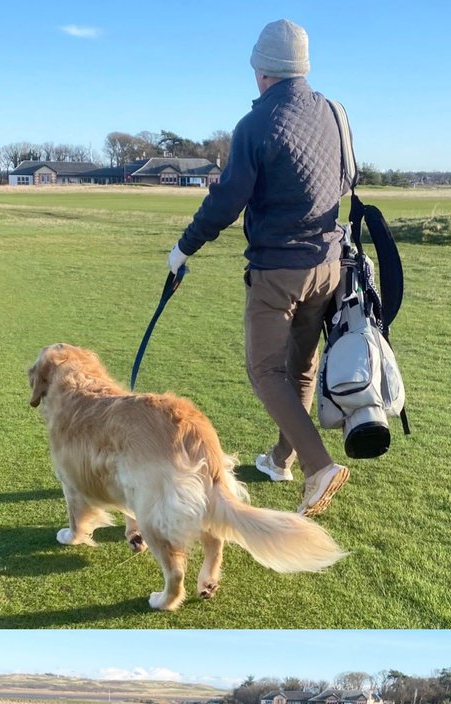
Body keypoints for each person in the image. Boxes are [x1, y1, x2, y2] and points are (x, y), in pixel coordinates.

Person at [169, 18, 349, 517]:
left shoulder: (256, 124)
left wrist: (183, 249)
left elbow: (227, 201)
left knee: (265, 371)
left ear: (262, 70)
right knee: (302, 365)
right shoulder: (334, 112)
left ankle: (318, 466)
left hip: (278, 271)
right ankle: (280, 460)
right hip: (329, 265)